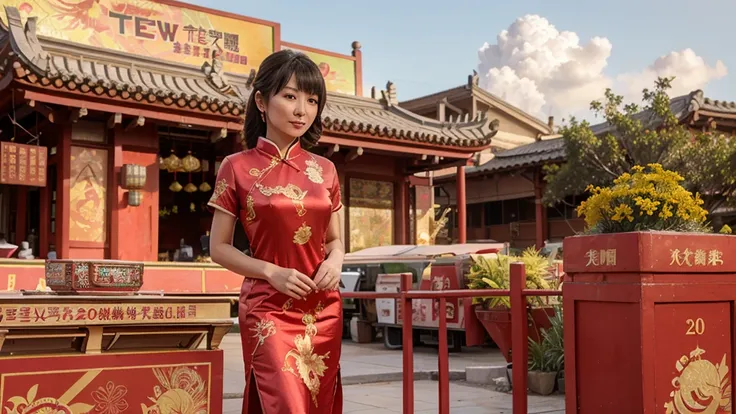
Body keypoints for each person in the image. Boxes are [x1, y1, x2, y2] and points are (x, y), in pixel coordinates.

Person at [209, 49, 345, 414]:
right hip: (267, 307)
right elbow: (218, 248)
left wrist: (337, 260)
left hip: (323, 307)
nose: (302, 109)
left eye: (312, 100)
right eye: (290, 96)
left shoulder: (326, 170)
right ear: (261, 101)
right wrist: (272, 272)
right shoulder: (236, 167)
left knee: (317, 403)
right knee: (285, 403)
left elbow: (335, 240)